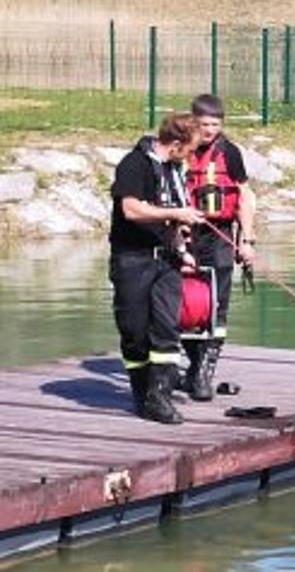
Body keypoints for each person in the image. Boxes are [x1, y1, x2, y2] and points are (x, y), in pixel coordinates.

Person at [109, 114, 205, 425]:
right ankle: (141, 392)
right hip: (132, 258)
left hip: (167, 260)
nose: (192, 157)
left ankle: (159, 397)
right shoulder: (134, 164)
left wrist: (182, 246)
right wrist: (176, 212)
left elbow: (171, 221)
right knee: (134, 332)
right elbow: (131, 209)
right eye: (190, 150)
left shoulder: (175, 171)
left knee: (167, 328)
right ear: (175, 145)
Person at [182, 95, 255, 402]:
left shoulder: (230, 153)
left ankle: (203, 371)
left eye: (215, 124)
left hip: (220, 235)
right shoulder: (180, 149)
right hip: (185, 234)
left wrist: (246, 240)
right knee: (184, 306)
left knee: (217, 307)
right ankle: (193, 363)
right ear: (193, 122)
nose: (210, 130)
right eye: (204, 124)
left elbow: (245, 197)